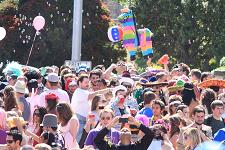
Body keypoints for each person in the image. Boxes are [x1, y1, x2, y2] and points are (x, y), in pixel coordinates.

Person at [71, 75, 111, 142]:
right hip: (79, 121)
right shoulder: (79, 91)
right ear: (80, 83)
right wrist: (107, 90)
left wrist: (107, 102)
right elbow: (92, 96)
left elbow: (97, 107)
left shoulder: (86, 92)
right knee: (78, 142)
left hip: (88, 120)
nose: (87, 84)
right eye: (85, 82)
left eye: (88, 82)